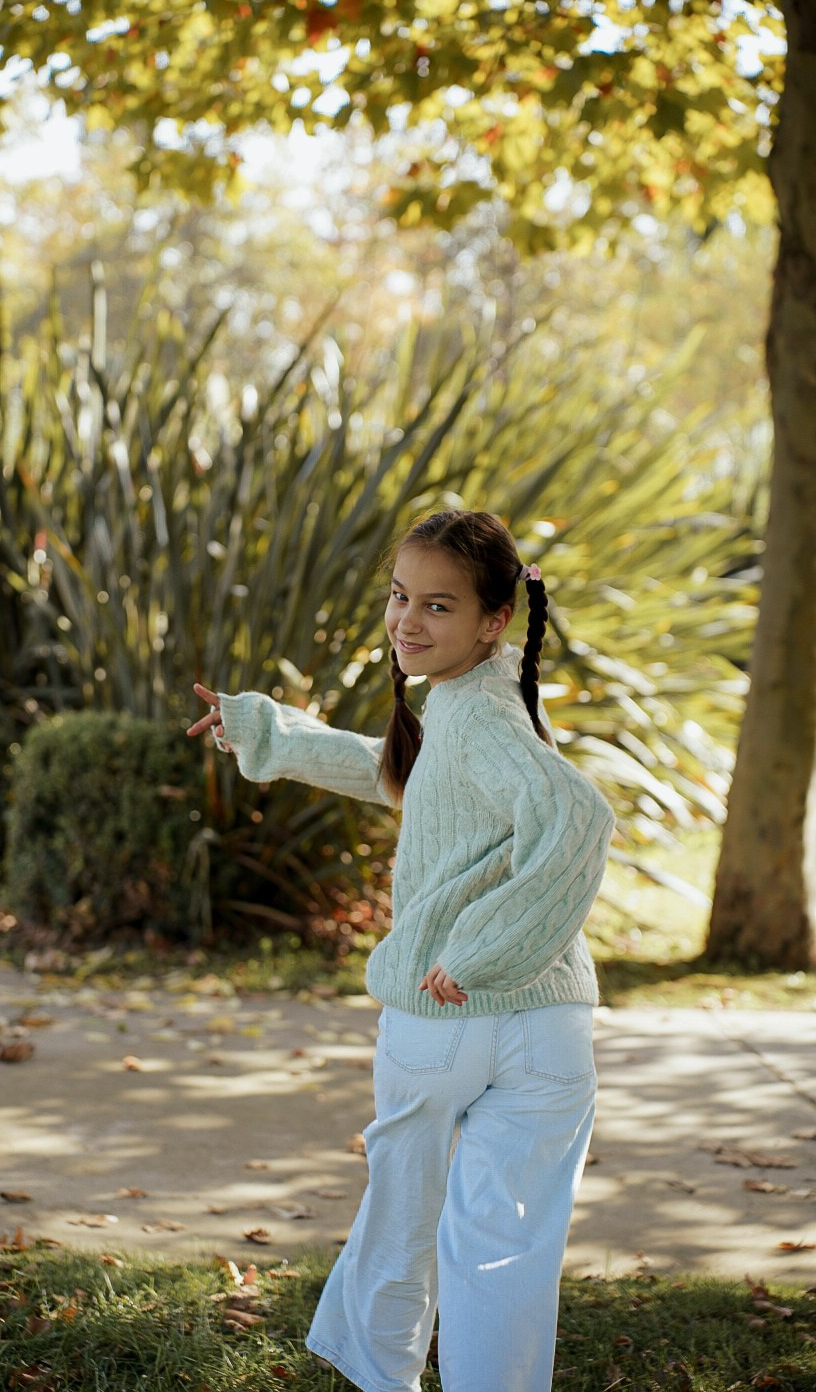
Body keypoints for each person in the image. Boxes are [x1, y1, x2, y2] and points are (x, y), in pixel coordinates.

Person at [187, 509, 614, 1392]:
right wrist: (268, 734)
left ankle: (382, 1377)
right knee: (505, 1250)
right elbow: (408, 778)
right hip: (548, 1029)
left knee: (403, 1223)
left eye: (439, 606)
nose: (408, 622)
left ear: (494, 619)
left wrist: (481, 951)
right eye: (399, 596)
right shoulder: (484, 703)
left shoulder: (482, 716)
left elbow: (579, 820)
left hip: (452, 1014)